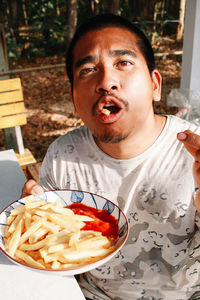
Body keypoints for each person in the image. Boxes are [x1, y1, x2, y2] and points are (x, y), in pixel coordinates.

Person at [22, 14, 200, 300]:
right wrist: (33, 225)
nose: (106, 82)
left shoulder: (194, 153)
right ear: (74, 98)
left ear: (155, 85)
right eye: (88, 70)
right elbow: (53, 257)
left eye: (123, 63)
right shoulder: (61, 159)